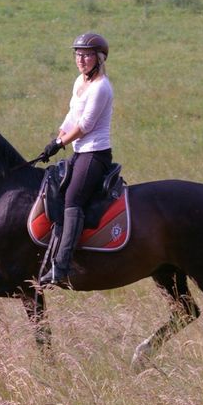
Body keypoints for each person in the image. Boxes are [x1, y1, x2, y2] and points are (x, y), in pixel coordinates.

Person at [38, 32, 114, 287]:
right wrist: (56, 138)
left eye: (87, 55)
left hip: (95, 153)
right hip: (80, 151)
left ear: (99, 58)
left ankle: (62, 266)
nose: (81, 59)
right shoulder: (79, 81)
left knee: (73, 199)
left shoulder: (101, 86)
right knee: (55, 191)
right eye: (78, 54)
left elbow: (85, 125)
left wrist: (60, 143)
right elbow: (72, 117)